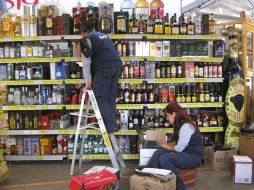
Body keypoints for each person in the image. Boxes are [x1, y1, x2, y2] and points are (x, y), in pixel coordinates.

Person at [147, 103, 203, 190]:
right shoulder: (180, 124)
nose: (167, 118)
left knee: (165, 159)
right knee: (159, 152)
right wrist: (165, 144)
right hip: (186, 153)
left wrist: (167, 146)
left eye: (168, 116)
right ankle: (148, 173)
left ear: (174, 114)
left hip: (193, 157)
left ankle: (180, 187)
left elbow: (179, 148)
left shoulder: (186, 126)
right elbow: (177, 141)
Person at [79, 21, 123, 133]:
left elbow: (86, 63)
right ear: (93, 28)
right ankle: (111, 124)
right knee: (110, 97)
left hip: (105, 68)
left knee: (99, 96)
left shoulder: (86, 39)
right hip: (117, 66)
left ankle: (111, 125)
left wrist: (88, 83)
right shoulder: (104, 36)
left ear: (82, 32)